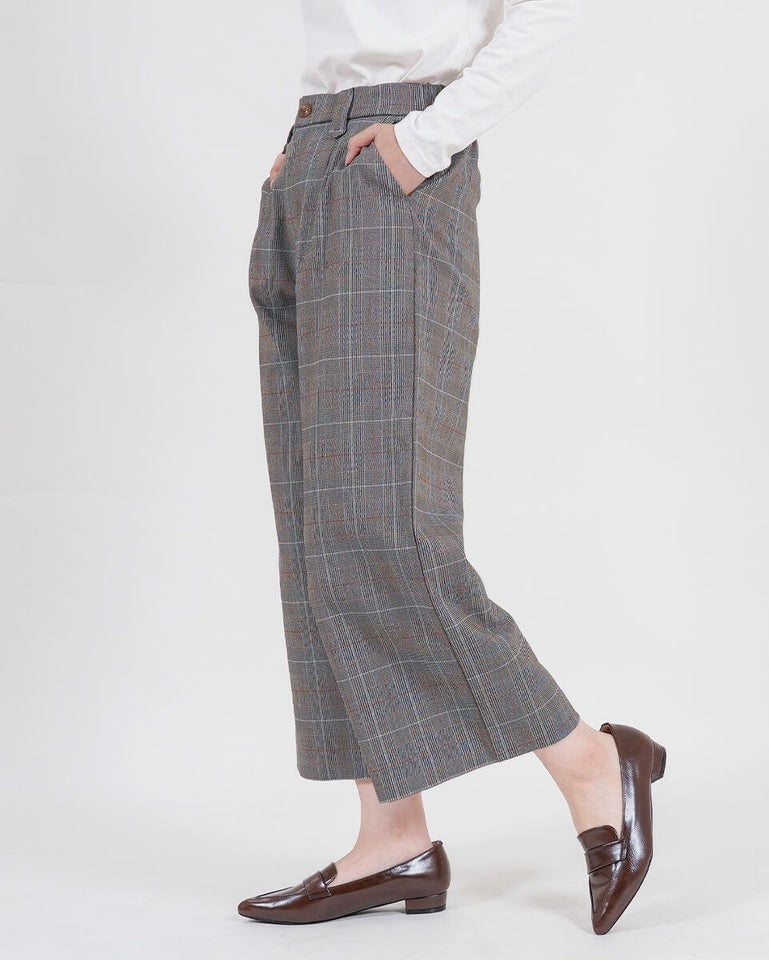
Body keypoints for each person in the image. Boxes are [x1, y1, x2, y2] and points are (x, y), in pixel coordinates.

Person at [239, 0, 666, 936]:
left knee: (389, 525)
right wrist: (305, 149)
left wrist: (424, 141)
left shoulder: (413, 146)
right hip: (314, 154)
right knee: (320, 529)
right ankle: (392, 837)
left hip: (395, 157)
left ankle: (592, 761)